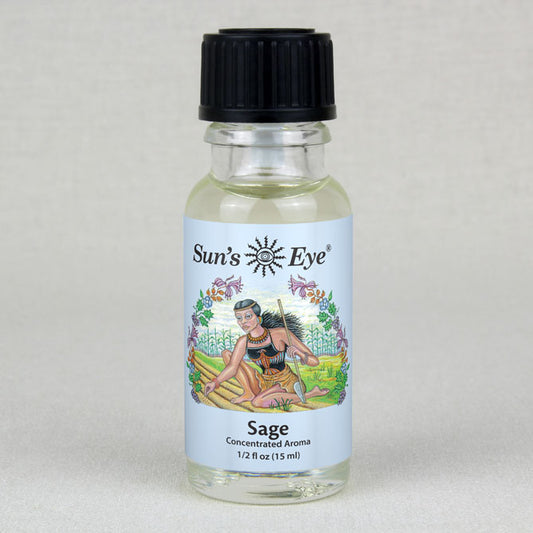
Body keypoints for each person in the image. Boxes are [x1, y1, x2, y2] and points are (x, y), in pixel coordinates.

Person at [205, 299, 329, 408]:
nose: (243, 322)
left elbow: (315, 361)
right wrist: (215, 382)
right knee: (227, 354)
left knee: (258, 402)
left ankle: (311, 393)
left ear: (258, 318)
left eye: (248, 316)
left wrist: (300, 354)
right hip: (264, 382)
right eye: (239, 318)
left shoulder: (280, 334)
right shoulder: (243, 341)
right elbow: (232, 367)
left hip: (287, 383)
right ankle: (248, 393)